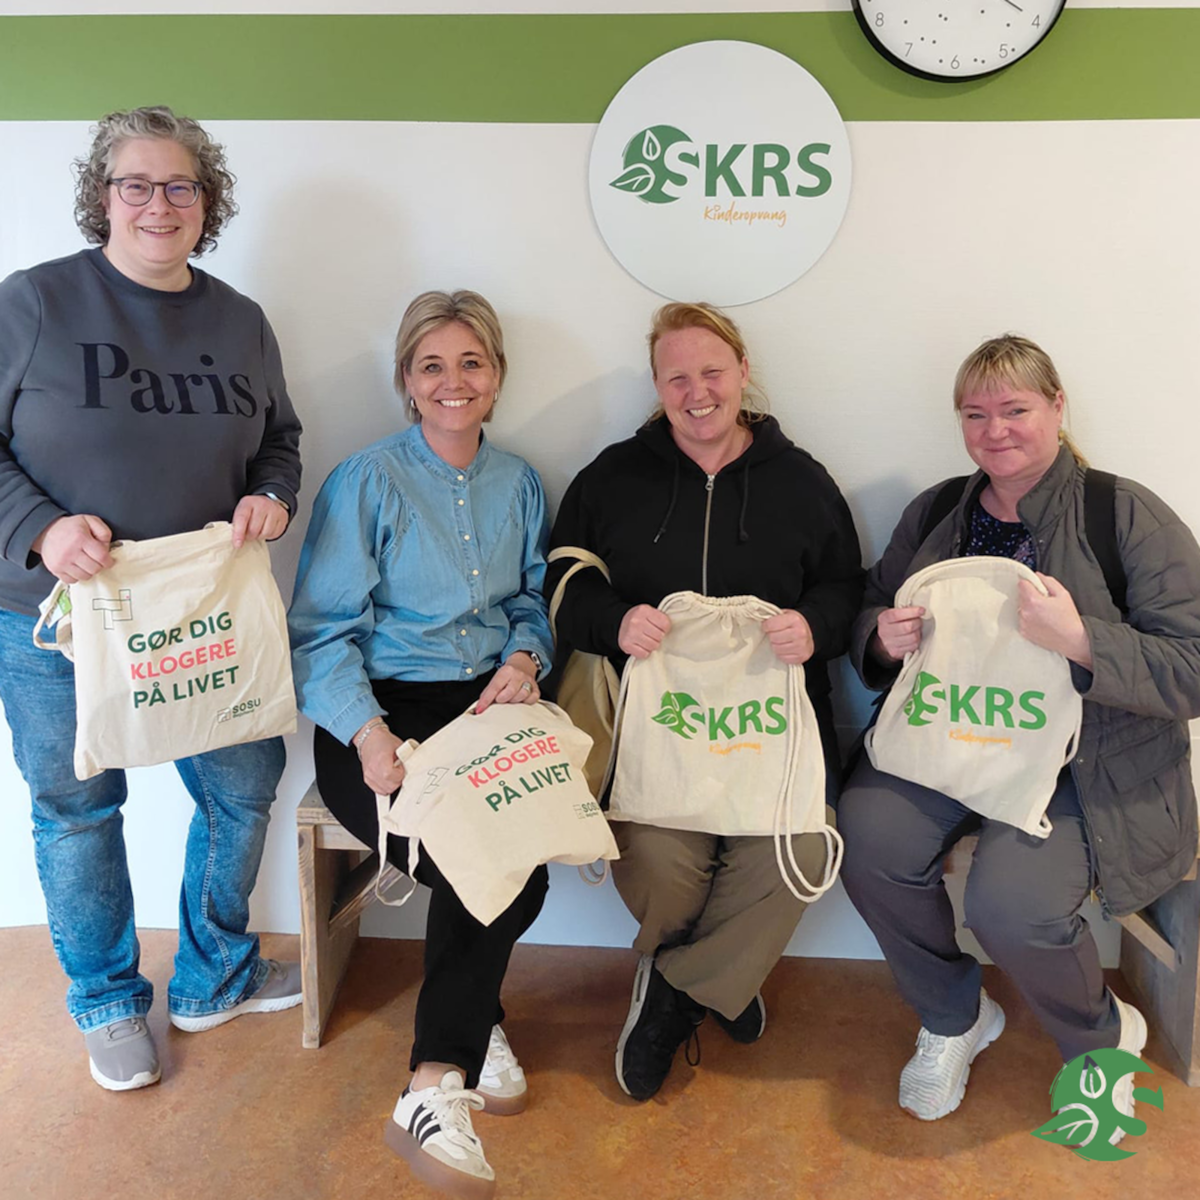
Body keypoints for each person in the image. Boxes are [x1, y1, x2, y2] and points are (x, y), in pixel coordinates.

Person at [0, 107, 304, 1092]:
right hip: (56, 621)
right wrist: (41, 527)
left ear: (207, 203)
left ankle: (214, 974)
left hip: (202, 615)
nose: (158, 204)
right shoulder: (33, 302)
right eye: (136, 183)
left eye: (181, 185)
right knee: (79, 809)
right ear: (103, 196)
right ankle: (107, 1001)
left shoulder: (242, 322)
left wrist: (272, 496)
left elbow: (280, 441)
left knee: (244, 782)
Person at [838, 333, 1200, 1125]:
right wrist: (881, 637)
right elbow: (871, 605)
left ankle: (1099, 1037)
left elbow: (1193, 664)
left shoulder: (1122, 513)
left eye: (1015, 409)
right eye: (975, 414)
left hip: (1084, 764)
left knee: (1010, 906)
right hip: (952, 737)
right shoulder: (938, 510)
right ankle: (953, 1016)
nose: (994, 430)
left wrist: (1083, 641)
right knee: (867, 841)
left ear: (1058, 407)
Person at [547, 301, 863, 1101]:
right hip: (653, 737)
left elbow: (845, 590)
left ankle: (676, 995)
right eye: (677, 378)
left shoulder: (803, 482)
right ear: (657, 387)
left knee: (802, 857)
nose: (698, 393)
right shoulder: (613, 477)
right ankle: (729, 977)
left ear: (743, 372)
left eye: (712, 372)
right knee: (660, 868)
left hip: (777, 738)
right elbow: (562, 583)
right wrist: (615, 620)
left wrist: (813, 625)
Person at [288, 289, 553, 1200]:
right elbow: (320, 632)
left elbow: (533, 597)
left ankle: (470, 1019)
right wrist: (369, 736)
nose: (453, 381)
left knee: (523, 862)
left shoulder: (520, 483)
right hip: (376, 712)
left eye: (471, 362)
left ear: (497, 377)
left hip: (483, 707)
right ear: (406, 380)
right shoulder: (365, 480)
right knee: (483, 862)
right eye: (431, 365)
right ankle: (437, 1079)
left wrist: (524, 656)